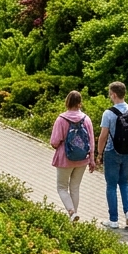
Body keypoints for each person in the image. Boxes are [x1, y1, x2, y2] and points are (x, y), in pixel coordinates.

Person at [95, 81, 128, 229]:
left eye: (110, 94)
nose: (110, 96)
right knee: (124, 183)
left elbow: (103, 136)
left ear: (114, 94)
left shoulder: (108, 113)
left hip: (112, 152)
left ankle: (114, 220)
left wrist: (99, 153)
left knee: (111, 185)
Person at [50, 91, 95, 222]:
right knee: (75, 188)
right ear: (80, 103)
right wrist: (91, 159)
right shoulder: (86, 119)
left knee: (62, 187)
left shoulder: (61, 119)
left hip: (65, 158)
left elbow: (54, 142)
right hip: (82, 159)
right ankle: (73, 217)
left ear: (67, 102)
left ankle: (71, 212)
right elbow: (91, 141)